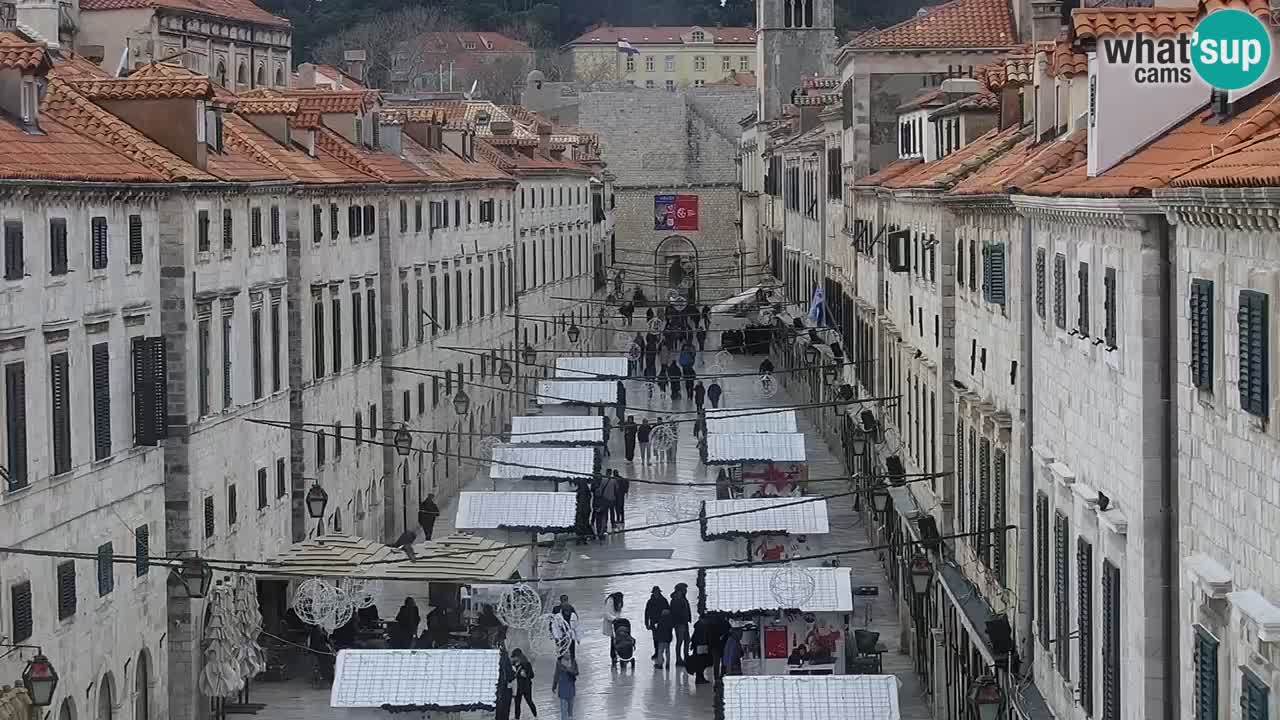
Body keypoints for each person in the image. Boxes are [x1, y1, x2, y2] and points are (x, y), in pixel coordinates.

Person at [644, 586, 670, 659]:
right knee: (655, 638)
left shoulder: (663, 600)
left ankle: (661, 653)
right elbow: (647, 613)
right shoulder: (650, 602)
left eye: (657, 592)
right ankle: (657, 652)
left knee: (662, 638)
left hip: (663, 623)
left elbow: (668, 611)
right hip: (653, 622)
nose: (656, 593)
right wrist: (646, 623)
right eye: (655, 592)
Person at [670, 583, 692, 666]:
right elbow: (675, 613)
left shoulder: (682, 598)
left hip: (684, 622)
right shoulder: (676, 600)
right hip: (679, 623)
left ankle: (686, 657)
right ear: (679, 591)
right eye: (684, 589)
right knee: (680, 641)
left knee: (686, 640)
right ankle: (679, 659)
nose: (686, 591)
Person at [511, 649, 537, 719]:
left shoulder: (526, 664)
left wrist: (525, 675)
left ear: (519, 656)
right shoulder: (512, 666)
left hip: (526, 687)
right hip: (517, 687)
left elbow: (532, 675)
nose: (514, 658)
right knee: (517, 703)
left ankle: (535, 715)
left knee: (529, 701)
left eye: (515, 656)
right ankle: (517, 718)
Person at [551, 654, 578, 720]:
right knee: (563, 712)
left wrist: (569, 670)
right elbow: (556, 675)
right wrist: (554, 686)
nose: (568, 654)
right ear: (563, 654)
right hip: (563, 690)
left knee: (570, 712)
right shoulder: (559, 663)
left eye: (569, 652)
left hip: (571, 690)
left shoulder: (573, 661)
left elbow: (576, 672)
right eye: (566, 653)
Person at [593, 472, 617, 540]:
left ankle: (605, 527)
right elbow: (616, 489)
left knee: (605, 515)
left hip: (605, 500)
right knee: (612, 512)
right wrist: (614, 496)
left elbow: (600, 491)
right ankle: (612, 524)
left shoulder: (603, 480)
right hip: (612, 499)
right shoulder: (614, 480)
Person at [602, 592, 624, 662]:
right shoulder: (610, 601)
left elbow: (618, 612)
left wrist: (619, 619)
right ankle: (613, 656)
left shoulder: (619, 602)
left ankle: (617, 655)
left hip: (617, 623)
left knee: (617, 640)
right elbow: (607, 613)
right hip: (611, 623)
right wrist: (614, 619)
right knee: (613, 640)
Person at [689, 616, 711, 684]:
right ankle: (699, 678)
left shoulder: (699, 625)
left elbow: (694, 637)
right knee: (701, 662)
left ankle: (700, 677)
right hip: (701, 646)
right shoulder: (702, 626)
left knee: (700, 662)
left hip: (699, 646)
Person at [497, 646, 515, 720]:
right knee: (504, 712)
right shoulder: (504, 658)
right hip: (504, 690)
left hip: (497, 689)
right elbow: (510, 675)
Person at [573, 481, 593, 545]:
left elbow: (578, 501)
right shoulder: (587, 492)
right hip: (586, 510)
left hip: (580, 510)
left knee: (579, 524)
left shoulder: (579, 492)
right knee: (585, 524)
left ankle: (578, 539)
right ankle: (584, 539)